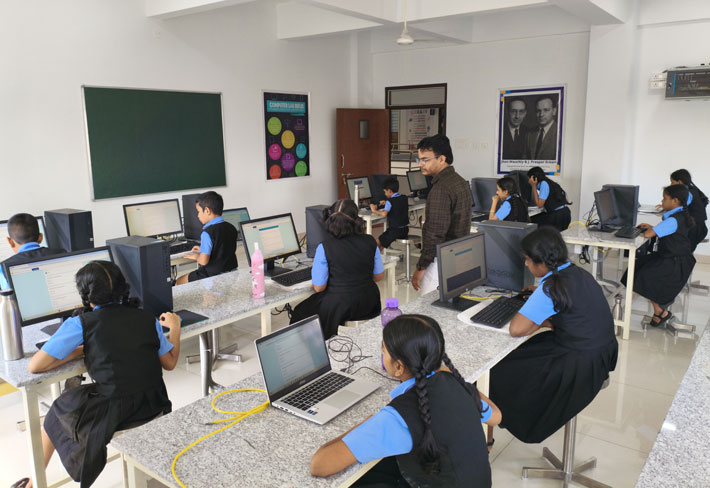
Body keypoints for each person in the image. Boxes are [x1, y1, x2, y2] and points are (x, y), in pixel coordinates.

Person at [14, 261, 180, 488]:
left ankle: (33, 482)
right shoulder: (146, 318)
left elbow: (35, 366)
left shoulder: (80, 323)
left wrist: (80, 350)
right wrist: (175, 329)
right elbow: (170, 363)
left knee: (58, 409)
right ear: (123, 287)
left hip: (115, 411)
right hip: (153, 402)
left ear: (86, 295)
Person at [310, 314, 501, 487]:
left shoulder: (398, 416)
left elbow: (319, 465)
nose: (382, 356)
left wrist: (365, 425)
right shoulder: (454, 382)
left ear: (399, 367)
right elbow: (496, 417)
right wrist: (457, 378)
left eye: (384, 351)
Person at [489, 227, 617, 444]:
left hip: (577, 364)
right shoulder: (579, 273)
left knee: (497, 371)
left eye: (528, 260)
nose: (526, 264)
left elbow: (516, 329)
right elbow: (571, 315)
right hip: (601, 354)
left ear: (541, 262)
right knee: (523, 353)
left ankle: (492, 433)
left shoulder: (551, 287)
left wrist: (537, 316)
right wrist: (542, 313)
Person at [290, 199, 383, 340]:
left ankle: (315, 349)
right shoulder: (370, 241)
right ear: (357, 219)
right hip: (370, 302)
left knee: (300, 311)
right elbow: (379, 277)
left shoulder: (325, 247)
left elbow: (319, 288)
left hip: (339, 306)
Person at [621, 184, 696, 327]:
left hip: (675, 263)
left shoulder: (673, 220)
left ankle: (661, 311)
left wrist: (648, 230)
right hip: (674, 258)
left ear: (675, 201)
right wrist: (653, 228)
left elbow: (648, 235)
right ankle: (660, 311)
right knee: (638, 267)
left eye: (664, 198)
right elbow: (663, 231)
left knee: (644, 276)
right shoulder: (679, 215)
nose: (662, 202)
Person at [412, 134, 472, 293]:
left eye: (425, 159)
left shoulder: (441, 189)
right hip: (458, 256)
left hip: (440, 261)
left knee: (430, 305)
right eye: (419, 159)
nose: (420, 164)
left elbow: (435, 233)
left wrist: (421, 267)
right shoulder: (460, 181)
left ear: (441, 159)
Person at [176, 190, 238, 285]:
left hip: (212, 276)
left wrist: (196, 256)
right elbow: (222, 249)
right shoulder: (231, 227)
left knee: (179, 281)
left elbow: (203, 261)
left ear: (207, 211)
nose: (198, 216)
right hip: (231, 275)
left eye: (199, 212)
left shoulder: (207, 233)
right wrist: (203, 249)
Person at [1, 213, 66, 290]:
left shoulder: (3, 267)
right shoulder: (62, 254)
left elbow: (6, 294)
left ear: (10, 242)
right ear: (40, 237)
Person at [670, 169, 708, 252]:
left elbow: (681, 207)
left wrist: (668, 207)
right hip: (699, 227)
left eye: (672, 182)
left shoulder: (688, 193)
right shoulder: (692, 189)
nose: (671, 185)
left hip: (695, 230)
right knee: (686, 252)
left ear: (679, 182)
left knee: (685, 253)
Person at [370, 176, 409, 252]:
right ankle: (379, 257)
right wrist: (387, 202)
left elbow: (384, 213)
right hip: (405, 230)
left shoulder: (390, 201)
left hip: (394, 231)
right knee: (382, 243)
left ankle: (373, 258)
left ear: (390, 191)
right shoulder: (404, 197)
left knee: (377, 242)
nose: (385, 194)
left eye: (385, 192)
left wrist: (374, 210)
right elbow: (396, 204)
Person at [527, 166, 572, 231]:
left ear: (534, 178)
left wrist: (533, 186)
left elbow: (539, 205)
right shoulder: (551, 183)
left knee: (533, 221)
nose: (528, 181)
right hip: (565, 213)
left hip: (557, 216)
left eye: (529, 178)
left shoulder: (544, 184)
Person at [525, 96, 558, 161]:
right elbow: (525, 158)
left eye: (546, 110)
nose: (541, 114)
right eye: (538, 111)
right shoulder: (530, 133)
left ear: (554, 111)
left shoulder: (560, 133)